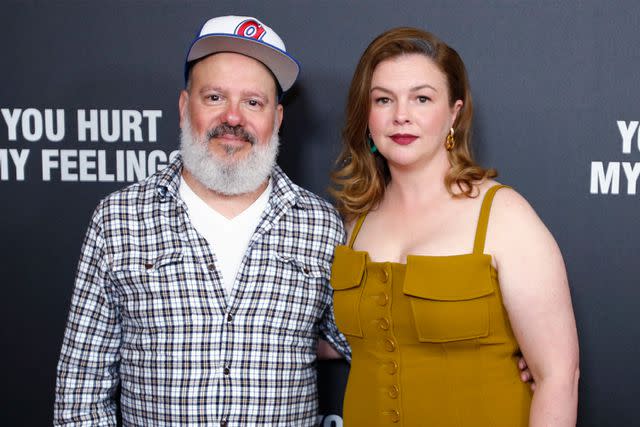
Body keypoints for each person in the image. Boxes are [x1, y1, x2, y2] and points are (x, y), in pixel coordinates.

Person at [53, 15, 350, 426]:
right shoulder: (119, 219)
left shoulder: (320, 226)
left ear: (277, 119)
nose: (233, 117)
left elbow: (370, 342)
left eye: (253, 102)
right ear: (183, 106)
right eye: (214, 98)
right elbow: (80, 395)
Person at [329, 27, 580, 426]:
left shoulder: (503, 216)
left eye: (422, 98)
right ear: (367, 114)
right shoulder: (354, 221)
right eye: (383, 100)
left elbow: (558, 377)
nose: (401, 116)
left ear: (454, 113)